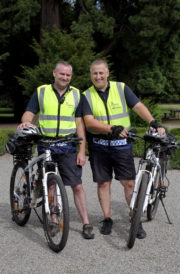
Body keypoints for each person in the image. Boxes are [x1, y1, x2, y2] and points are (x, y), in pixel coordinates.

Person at [82, 59, 165, 238]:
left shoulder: (121, 88)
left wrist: (152, 121)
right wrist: (111, 128)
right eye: (94, 73)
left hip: (121, 146)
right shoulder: (86, 95)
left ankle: (135, 219)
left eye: (101, 73)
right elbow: (89, 121)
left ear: (107, 73)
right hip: (99, 146)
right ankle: (107, 218)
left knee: (129, 183)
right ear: (91, 75)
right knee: (103, 183)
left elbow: (138, 106)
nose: (98, 76)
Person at [17, 61, 94, 239]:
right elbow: (29, 112)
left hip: (67, 145)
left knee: (77, 185)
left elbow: (80, 123)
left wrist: (82, 150)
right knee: (50, 184)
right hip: (46, 143)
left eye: (68, 75)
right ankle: (53, 219)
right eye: (62, 74)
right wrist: (26, 121)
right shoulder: (41, 91)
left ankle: (86, 222)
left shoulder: (77, 95)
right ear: (54, 73)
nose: (65, 78)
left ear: (71, 76)